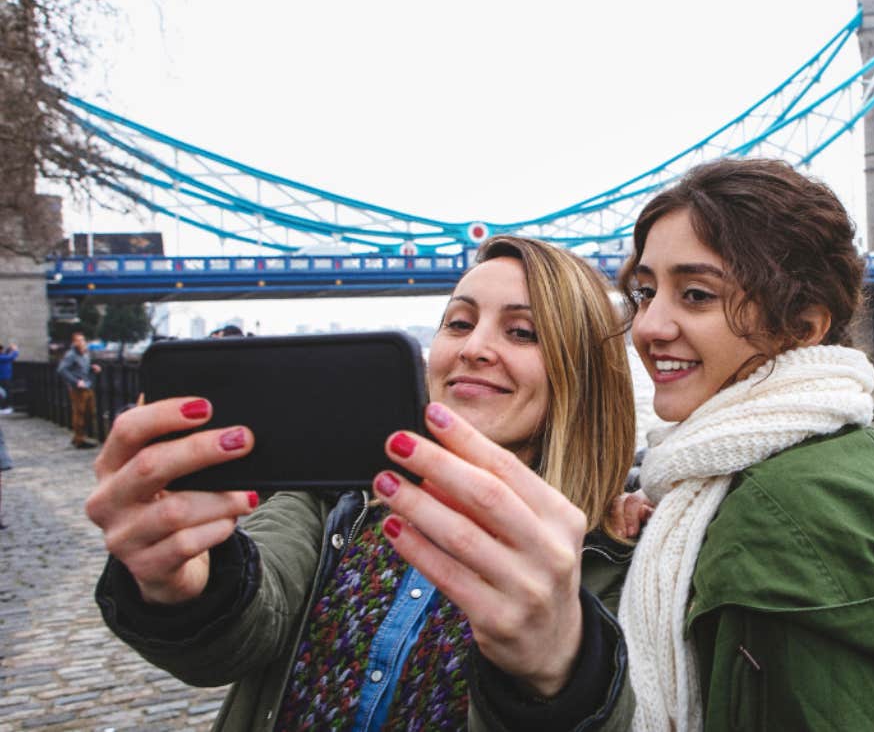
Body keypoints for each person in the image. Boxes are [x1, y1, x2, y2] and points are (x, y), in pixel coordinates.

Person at [87, 235, 637, 730]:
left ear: (582, 374)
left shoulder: (626, 557)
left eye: (522, 332)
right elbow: (235, 641)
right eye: (459, 322)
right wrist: (183, 583)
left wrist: (561, 672)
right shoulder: (333, 497)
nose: (473, 348)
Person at [605, 158, 874, 730]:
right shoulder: (843, 451)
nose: (647, 326)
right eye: (644, 292)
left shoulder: (794, 506)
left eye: (695, 295)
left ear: (803, 327)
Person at [57, 331, 101, 448]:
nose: (81, 342)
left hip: (88, 385)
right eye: (78, 340)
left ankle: (78, 436)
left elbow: (83, 368)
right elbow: (62, 370)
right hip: (78, 388)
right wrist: (75, 382)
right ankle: (80, 440)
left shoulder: (85, 354)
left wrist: (93, 368)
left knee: (90, 412)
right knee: (79, 413)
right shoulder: (71, 355)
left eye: (83, 340)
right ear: (74, 342)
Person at [0, 341, 17, 414]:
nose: (2, 350)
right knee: (5, 393)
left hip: (5, 377)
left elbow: (7, 355)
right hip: (3, 377)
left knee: (5, 392)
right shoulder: (1, 357)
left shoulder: (2, 356)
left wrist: (10, 349)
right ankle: (4, 407)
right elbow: (11, 357)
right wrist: (15, 350)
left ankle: (5, 407)